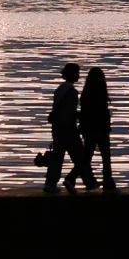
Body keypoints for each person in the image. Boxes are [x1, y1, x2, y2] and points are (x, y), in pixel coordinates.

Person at [45, 63, 95, 194]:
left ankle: (50, 183)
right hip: (68, 130)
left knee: (57, 157)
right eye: (77, 73)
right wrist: (78, 121)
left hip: (57, 129)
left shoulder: (59, 89)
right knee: (81, 157)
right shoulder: (72, 92)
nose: (78, 75)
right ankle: (89, 182)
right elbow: (69, 113)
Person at [80, 66, 116, 192]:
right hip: (100, 129)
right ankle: (108, 182)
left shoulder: (85, 94)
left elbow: (84, 112)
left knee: (87, 157)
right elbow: (102, 113)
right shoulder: (101, 92)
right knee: (105, 157)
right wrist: (107, 126)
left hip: (89, 129)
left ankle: (79, 179)